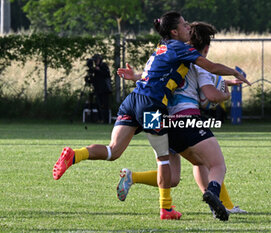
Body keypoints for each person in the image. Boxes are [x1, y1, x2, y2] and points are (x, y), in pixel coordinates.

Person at [52, 12, 250, 220]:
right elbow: (210, 69)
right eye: (184, 25)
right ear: (174, 31)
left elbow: (159, 74)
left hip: (133, 99)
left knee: (113, 150)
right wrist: (234, 73)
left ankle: (75, 155)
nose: (187, 28)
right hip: (152, 107)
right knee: (164, 161)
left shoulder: (162, 47)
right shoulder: (182, 48)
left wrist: (135, 76)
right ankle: (166, 208)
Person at [116, 22, 247, 221]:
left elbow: (152, 78)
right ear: (206, 47)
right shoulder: (197, 61)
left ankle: (133, 177)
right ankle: (219, 200)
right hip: (187, 118)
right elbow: (210, 94)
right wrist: (225, 95)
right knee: (215, 163)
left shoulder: (170, 56)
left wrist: (135, 76)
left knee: (175, 175)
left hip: (164, 121)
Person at [86, 54, 112, 124]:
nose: (95, 61)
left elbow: (107, 75)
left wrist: (99, 70)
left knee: (105, 105)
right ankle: (100, 118)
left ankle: (106, 120)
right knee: (98, 104)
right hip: (97, 89)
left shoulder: (103, 66)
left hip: (104, 89)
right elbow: (95, 79)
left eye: (96, 60)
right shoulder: (95, 68)